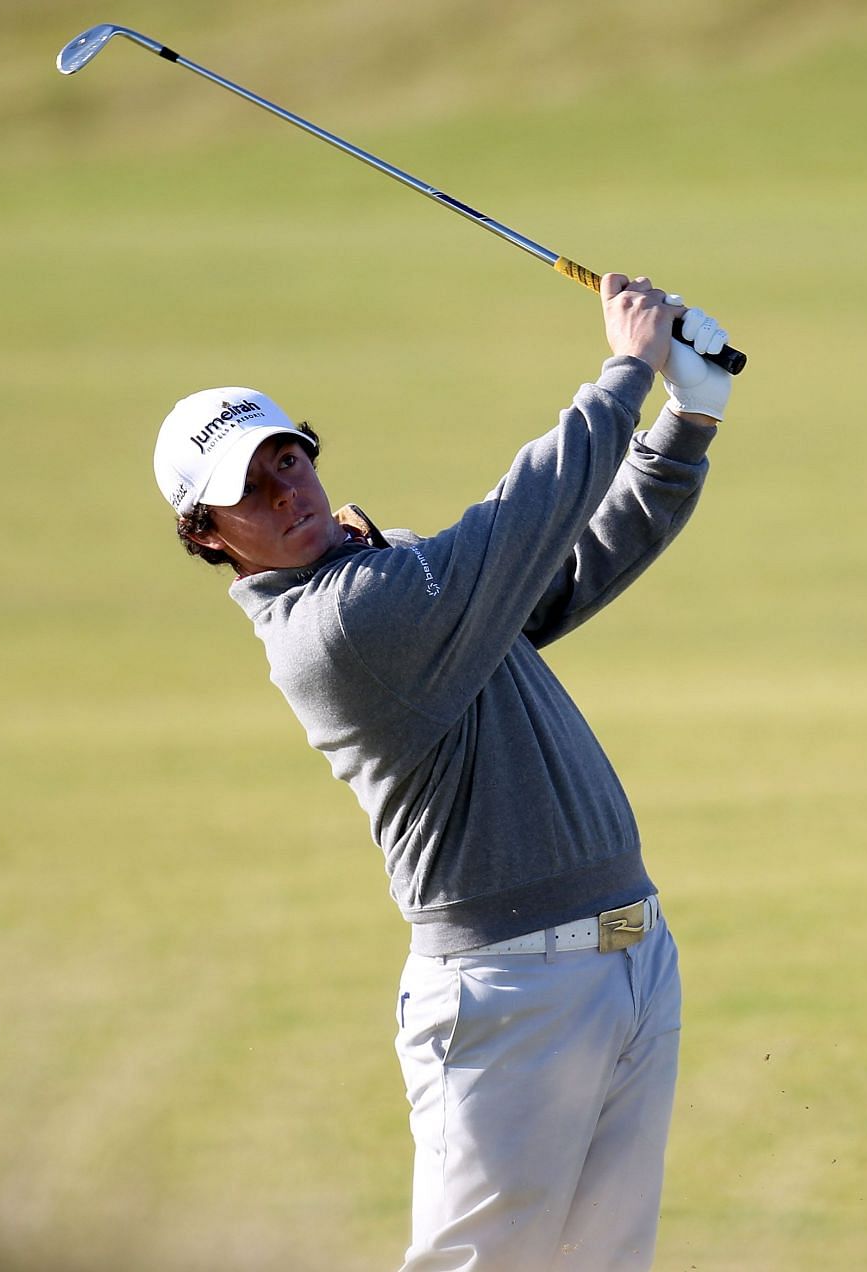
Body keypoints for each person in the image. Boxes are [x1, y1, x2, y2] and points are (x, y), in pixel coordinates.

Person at [150, 273, 733, 1271]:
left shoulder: (392, 576)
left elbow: (562, 568)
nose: (285, 489)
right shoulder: (342, 626)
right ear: (210, 537)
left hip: (629, 956)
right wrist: (625, 369)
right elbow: (522, 520)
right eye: (247, 489)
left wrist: (687, 421)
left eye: (287, 458)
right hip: (511, 989)